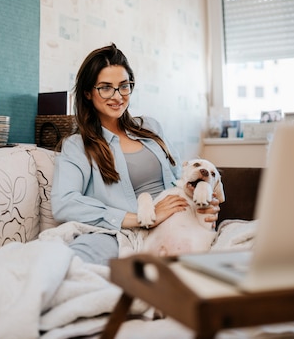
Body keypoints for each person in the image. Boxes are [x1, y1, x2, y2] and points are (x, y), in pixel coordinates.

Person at [51, 43, 220, 265]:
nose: (117, 96)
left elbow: (181, 174)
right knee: (68, 261)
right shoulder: (77, 146)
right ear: (88, 93)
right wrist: (139, 218)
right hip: (124, 232)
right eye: (105, 87)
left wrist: (204, 198)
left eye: (124, 86)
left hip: (182, 222)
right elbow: (65, 203)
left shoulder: (150, 127)